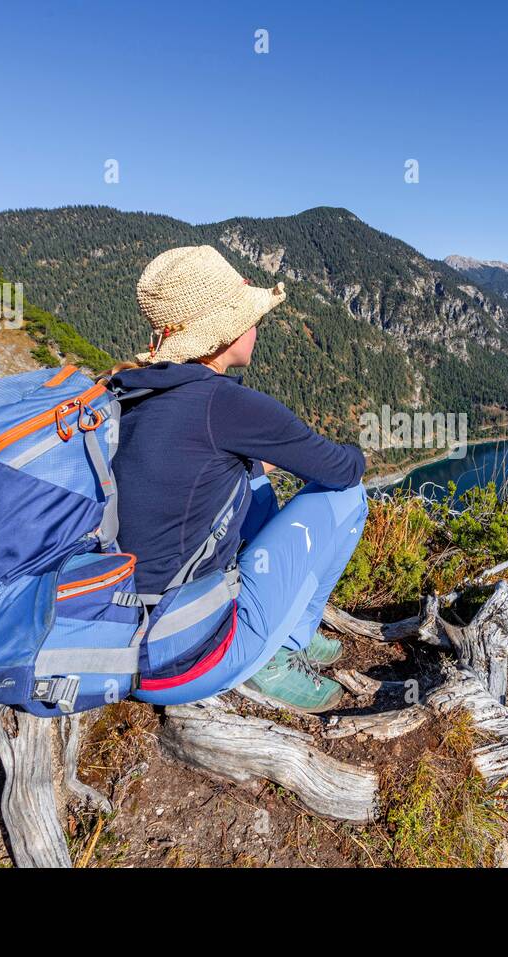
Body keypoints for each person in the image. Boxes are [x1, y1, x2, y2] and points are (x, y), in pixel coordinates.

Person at [108, 245, 367, 712]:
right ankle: (278, 652)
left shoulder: (132, 390)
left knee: (252, 479)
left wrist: (257, 460)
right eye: (250, 317)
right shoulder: (224, 404)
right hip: (191, 662)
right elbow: (341, 469)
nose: (257, 325)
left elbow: (191, 474)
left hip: (123, 648)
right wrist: (357, 451)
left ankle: (282, 633)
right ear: (225, 332)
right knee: (350, 496)